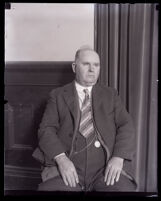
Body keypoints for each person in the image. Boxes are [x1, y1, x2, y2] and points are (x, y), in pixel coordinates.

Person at [32, 47, 137, 192]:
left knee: (124, 190)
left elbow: (126, 125)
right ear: (74, 67)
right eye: (86, 64)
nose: (92, 69)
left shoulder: (110, 95)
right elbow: (46, 129)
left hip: (105, 168)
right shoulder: (57, 95)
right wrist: (61, 160)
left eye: (96, 65)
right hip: (68, 167)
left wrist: (118, 158)